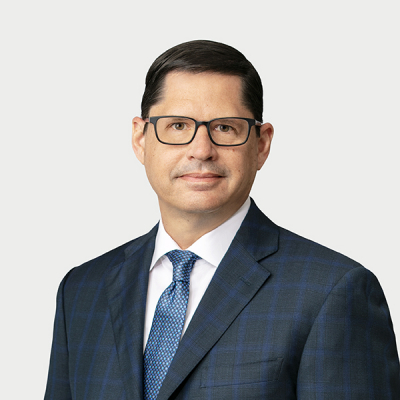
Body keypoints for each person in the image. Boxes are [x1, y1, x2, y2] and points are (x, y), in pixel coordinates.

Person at [44, 40, 400, 399]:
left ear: (261, 144)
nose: (201, 150)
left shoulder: (332, 292)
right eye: (178, 126)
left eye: (226, 128)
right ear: (140, 139)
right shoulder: (82, 290)